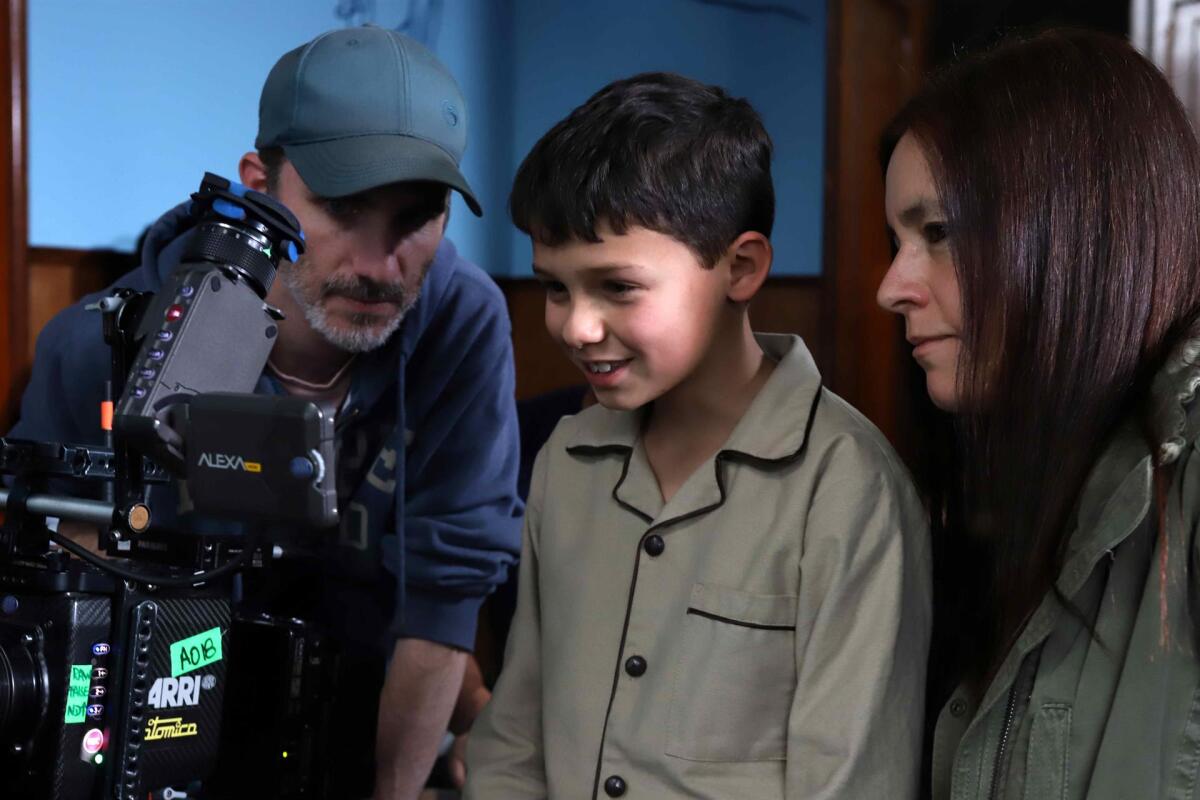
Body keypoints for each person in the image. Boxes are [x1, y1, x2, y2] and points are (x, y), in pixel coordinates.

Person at [9, 25, 522, 800]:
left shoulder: (463, 326)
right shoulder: (99, 348)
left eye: (415, 218)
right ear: (259, 184)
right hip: (155, 735)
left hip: (367, 719)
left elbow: (444, 607)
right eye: (344, 208)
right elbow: (62, 608)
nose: (379, 266)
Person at [465, 72, 931, 799]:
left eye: (617, 287)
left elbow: (850, 782)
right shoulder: (565, 459)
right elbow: (516, 738)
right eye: (556, 288)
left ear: (739, 267)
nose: (576, 327)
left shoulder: (848, 489)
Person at [877, 29, 1200, 800]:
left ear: (1078, 230)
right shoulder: (1001, 481)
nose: (891, 287)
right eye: (897, 241)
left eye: (940, 233)